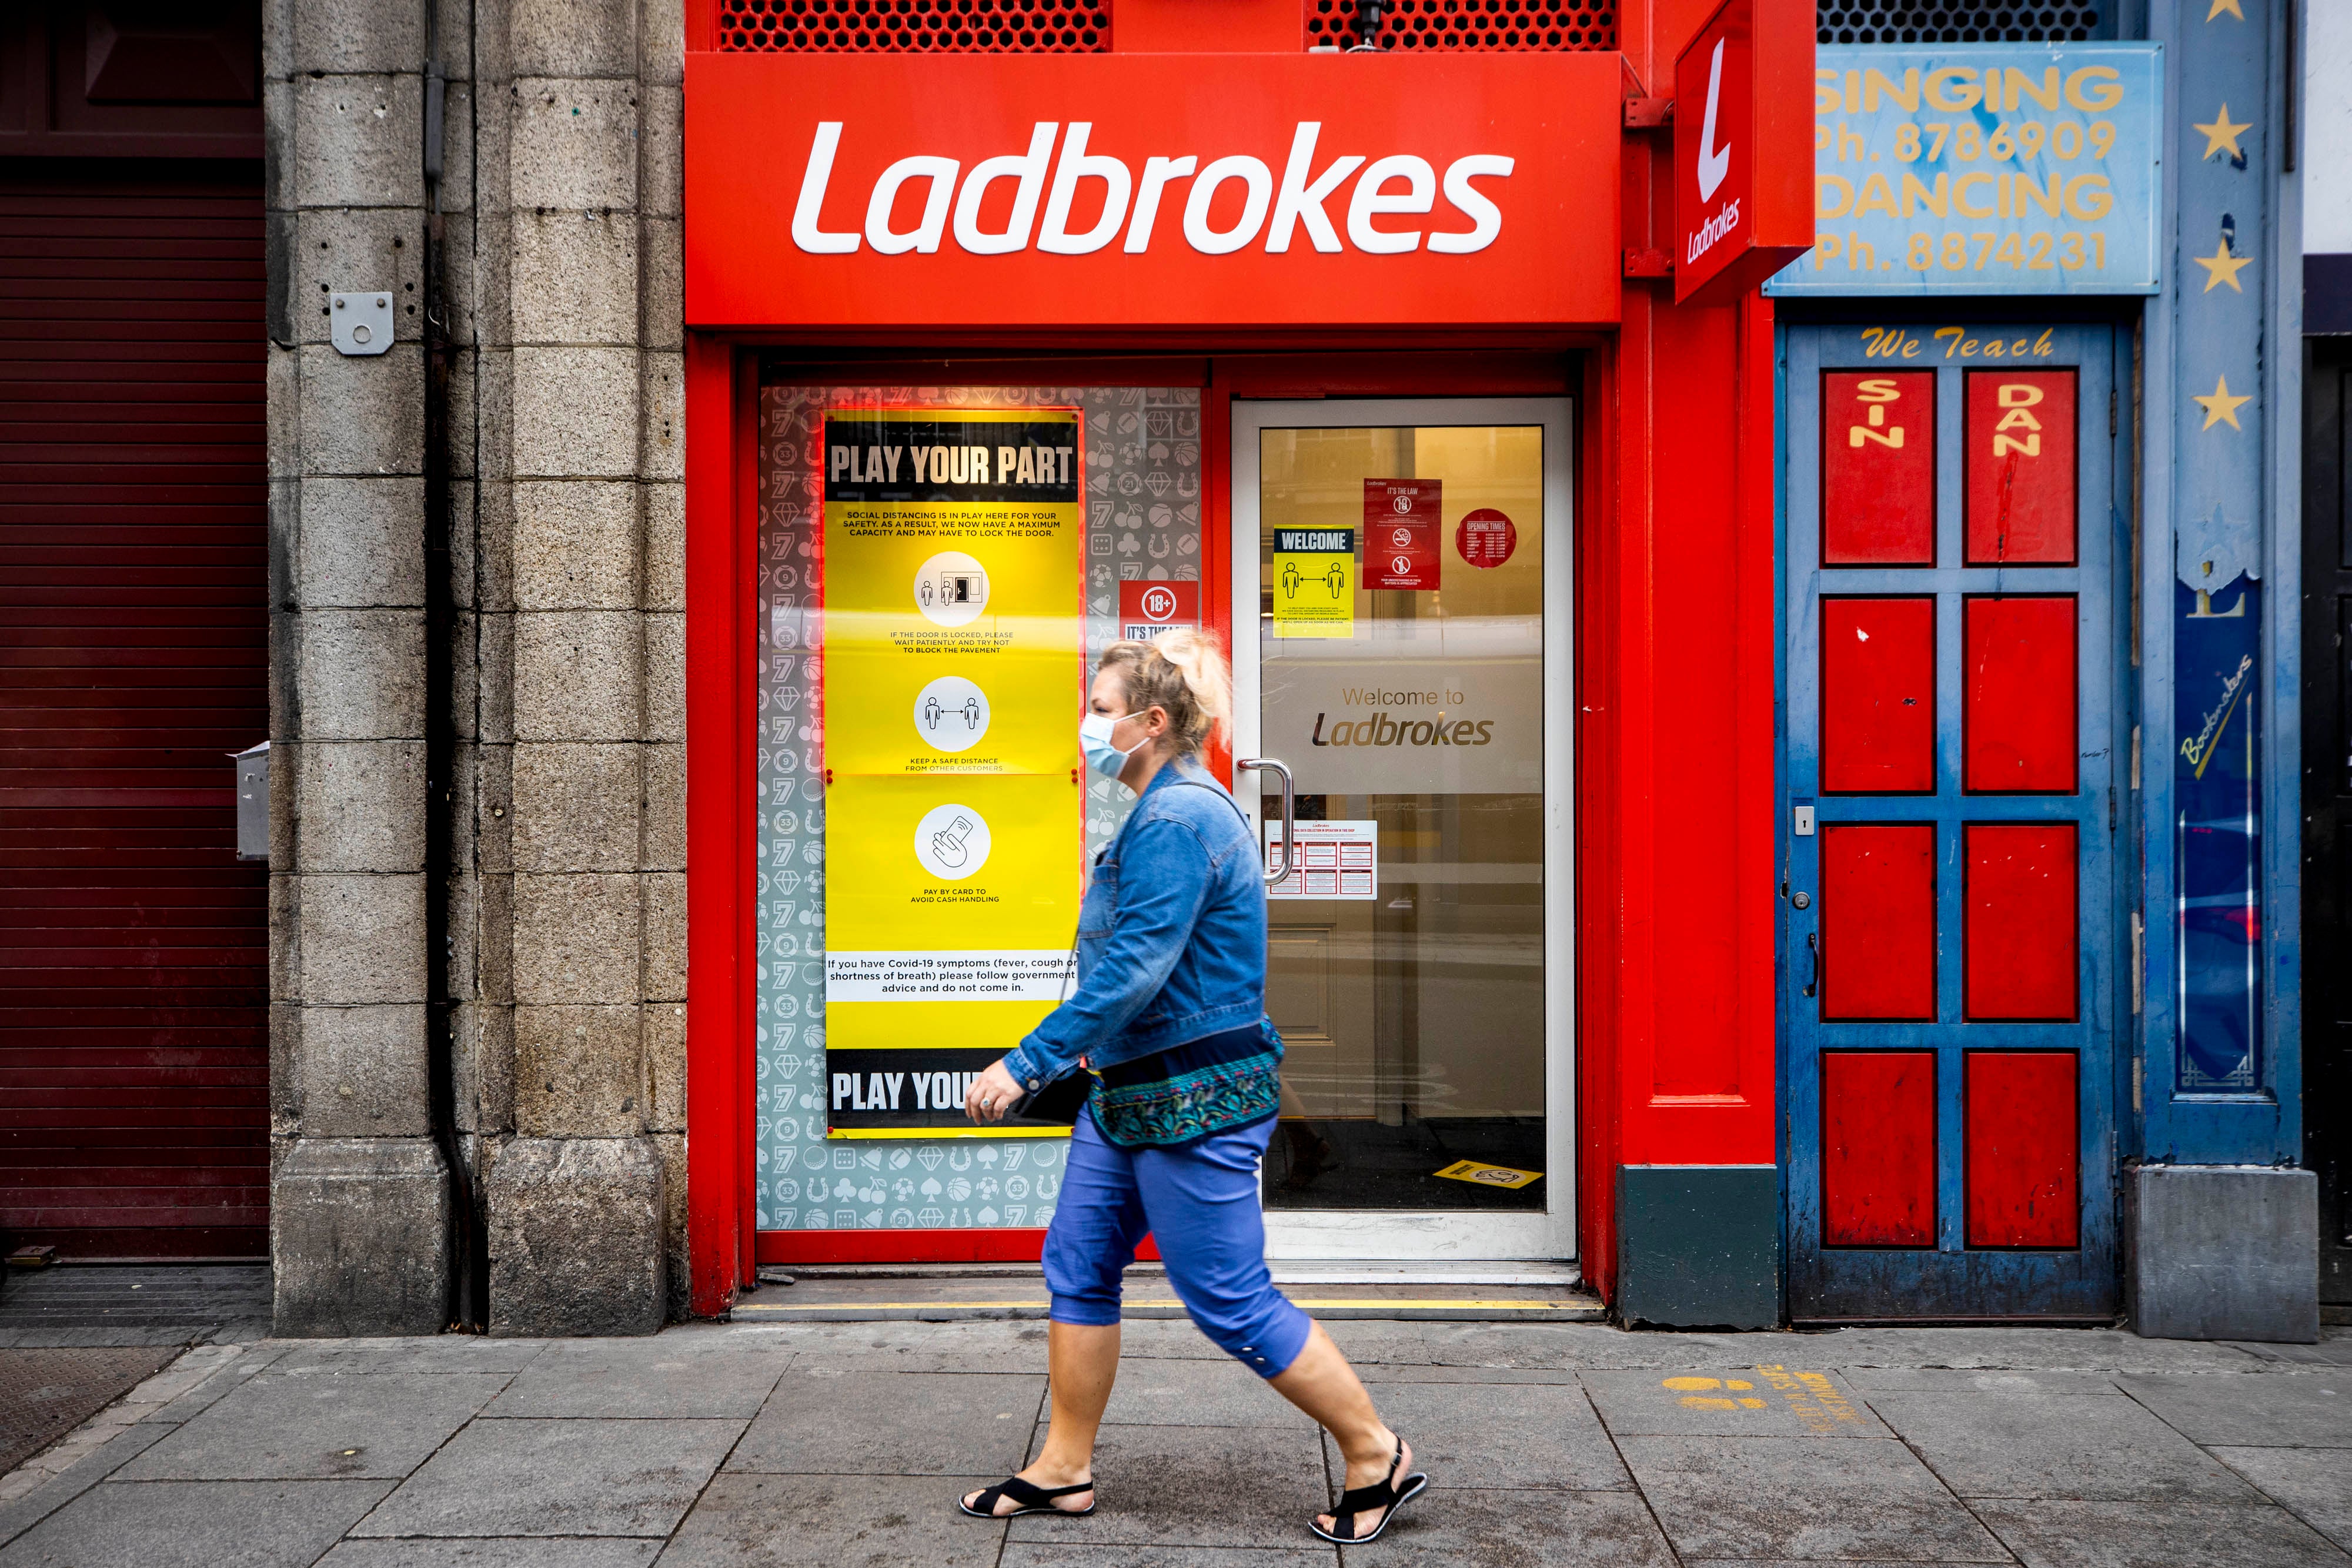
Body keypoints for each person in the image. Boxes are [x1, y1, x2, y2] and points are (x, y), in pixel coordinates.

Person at [955, 629, 1426, 1546]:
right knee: (1081, 1266)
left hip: (1192, 1099)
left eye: (1100, 710)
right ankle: (1062, 1470)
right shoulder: (1167, 808)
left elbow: (1135, 967)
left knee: (1226, 1294)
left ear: (1154, 720)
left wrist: (1028, 1061)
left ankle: (1377, 1453)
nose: (1087, 727)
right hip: (1131, 1093)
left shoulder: (1177, 820)